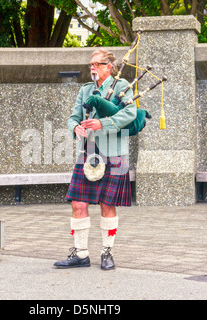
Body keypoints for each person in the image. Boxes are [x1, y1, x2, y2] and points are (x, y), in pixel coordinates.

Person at [53, 48, 137, 270]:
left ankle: (107, 253)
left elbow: (130, 114)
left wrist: (104, 123)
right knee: (78, 204)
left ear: (109, 67)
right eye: (91, 65)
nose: (92, 68)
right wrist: (76, 128)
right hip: (88, 153)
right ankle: (80, 255)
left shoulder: (122, 86)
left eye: (97, 64)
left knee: (107, 205)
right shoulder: (86, 90)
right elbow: (73, 117)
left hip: (114, 153)